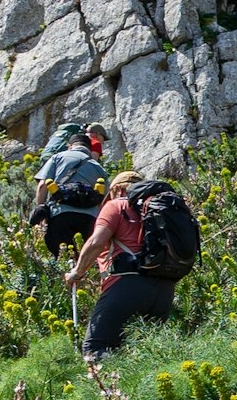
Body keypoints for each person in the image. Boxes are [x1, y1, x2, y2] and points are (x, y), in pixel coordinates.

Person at [72, 172, 201, 356]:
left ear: (116, 189)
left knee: (95, 349)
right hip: (164, 290)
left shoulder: (117, 205)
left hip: (126, 286)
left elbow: (96, 243)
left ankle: (105, 385)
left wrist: (77, 272)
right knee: (145, 355)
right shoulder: (158, 210)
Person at [33, 122, 112, 252]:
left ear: (70, 146)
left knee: (60, 256)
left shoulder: (57, 157)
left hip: (60, 213)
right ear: (89, 147)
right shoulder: (98, 167)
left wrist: (40, 210)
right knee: (82, 258)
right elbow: (104, 199)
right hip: (89, 218)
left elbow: (42, 185)